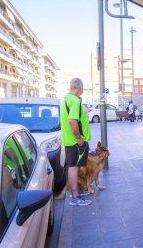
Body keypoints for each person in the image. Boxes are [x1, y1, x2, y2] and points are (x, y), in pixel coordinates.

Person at [60, 78, 92, 206]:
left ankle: (76, 192)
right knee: (73, 167)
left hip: (71, 140)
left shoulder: (67, 98)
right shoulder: (74, 100)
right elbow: (72, 121)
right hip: (75, 142)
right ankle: (75, 197)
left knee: (75, 166)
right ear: (80, 87)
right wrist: (79, 138)